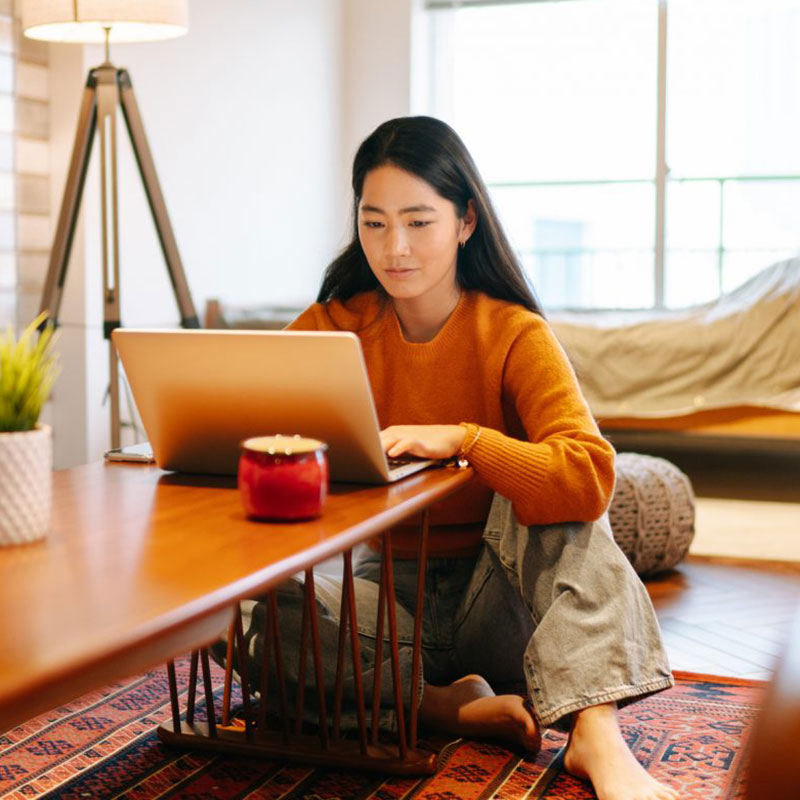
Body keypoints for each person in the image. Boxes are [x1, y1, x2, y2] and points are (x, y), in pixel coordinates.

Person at [224, 116, 679, 800]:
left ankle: (596, 736)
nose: (394, 247)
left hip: (499, 608)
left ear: (466, 221)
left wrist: (469, 441)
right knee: (238, 616)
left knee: (562, 506)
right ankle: (440, 705)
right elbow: (248, 432)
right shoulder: (330, 327)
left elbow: (590, 477)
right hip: (382, 606)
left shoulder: (513, 332)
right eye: (373, 223)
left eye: (418, 221)